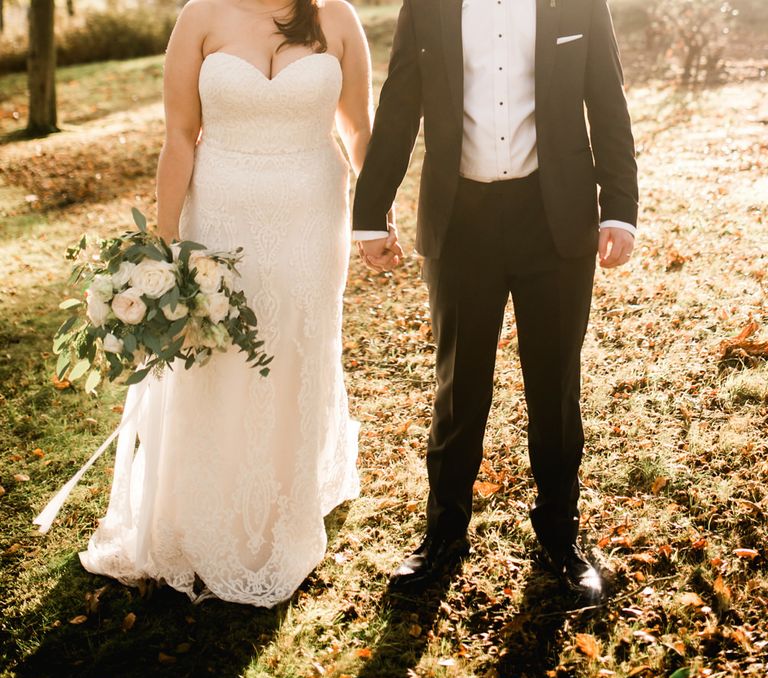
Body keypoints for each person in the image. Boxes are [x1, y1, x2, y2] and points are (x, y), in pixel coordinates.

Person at [79, 0, 395, 607]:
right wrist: (165, 249)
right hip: (219, 218)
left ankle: (283, 510)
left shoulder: (338, 17)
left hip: (310, 214)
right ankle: (201, 512)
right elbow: (179, 134)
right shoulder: (201, 16)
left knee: (295, 349)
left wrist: (374, 216)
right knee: (217, 357)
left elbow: (357, 127)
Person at [353, 0, 639, 600]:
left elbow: (607, 100)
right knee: (459, 384)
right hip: (461, 221)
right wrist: (370, 213)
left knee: (554, 384)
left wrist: (619, 208)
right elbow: (401, 102)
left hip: (554, 218)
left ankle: (561, 537)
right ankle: (442, 537)